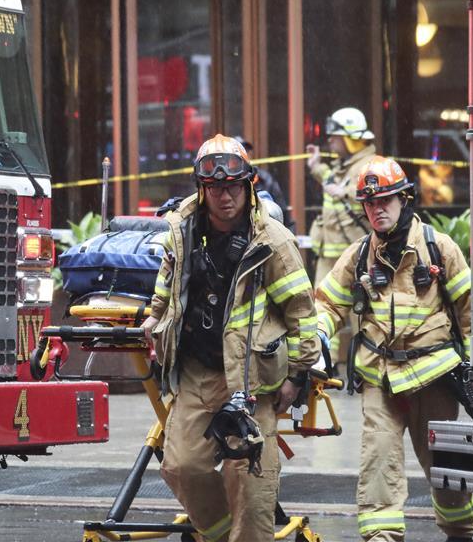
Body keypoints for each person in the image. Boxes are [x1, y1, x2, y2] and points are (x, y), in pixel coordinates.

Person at [141, 134, 320, 542]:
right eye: (216, 187)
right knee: (182, 466)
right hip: (196, 372)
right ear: (202, 188)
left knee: (249, 480)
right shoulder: (182, 233)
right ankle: (220, 535)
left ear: (249, 186)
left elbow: (302, 311)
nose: (226, 196)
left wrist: (298, 375)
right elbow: (167, 286)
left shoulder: (272, 241)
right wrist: (154, 319)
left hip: (250, 379)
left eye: (234, 186)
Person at [314, 156, 473, 542]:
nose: (376, 209)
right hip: (380, 379)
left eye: (385, 200)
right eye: (369, 203)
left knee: (445, 468)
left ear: (405, 199)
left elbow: (471, 312)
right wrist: (319, 338)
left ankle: (460, 533)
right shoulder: (358, 256)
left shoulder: (440, 249)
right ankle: (382, 536)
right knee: (378, 464)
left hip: (436, 379)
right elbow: (327, 305)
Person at [306, 106, 377, 366]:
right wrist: (316, 167)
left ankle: (364, 367)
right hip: (330, 252)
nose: (330, 141)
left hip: (355, 254)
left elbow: (373, 201)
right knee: (322, 309)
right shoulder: (346, 165)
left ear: (350, 138)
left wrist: (346, 193)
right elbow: (333, 181)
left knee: (361, 312)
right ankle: (325, 363)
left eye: (335, 137)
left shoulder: (369, 167)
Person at [233, 135, 294, 229]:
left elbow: (284, 214)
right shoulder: (220, 184)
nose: (244, 157)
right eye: (238, 154)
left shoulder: (266, 180)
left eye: (246, 152)